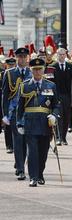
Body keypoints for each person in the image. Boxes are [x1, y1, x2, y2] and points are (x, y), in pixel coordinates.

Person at [16, 58, 60, 187]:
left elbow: (56, 105)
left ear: (43, 70)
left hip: (45, 123)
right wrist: (19, 123)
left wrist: (54, 115)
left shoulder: (50, 85)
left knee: (43, 151)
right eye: (35, 69)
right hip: (30, 122)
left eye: (40, 69)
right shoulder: (25, 85)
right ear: (31, 70)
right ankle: (33, 177)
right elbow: (20, 107)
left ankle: (40, 173)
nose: (37, 72)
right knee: (32, 151)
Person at [2, 47, 32, 180]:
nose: (22, 59)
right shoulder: (9, 73)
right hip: (14, 112)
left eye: (24, 57)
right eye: (20, 57)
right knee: (18, 140)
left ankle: (19, 162)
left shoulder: (33, 73)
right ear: (16, 58)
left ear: (27, 58)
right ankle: (20, 169)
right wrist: (4, 114)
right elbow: (5, 95)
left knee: (26, 141)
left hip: (29, 112)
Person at [53, 47, 72, 145]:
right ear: (57, 55)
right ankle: (58, 137)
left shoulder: (71, 66)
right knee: (58, 116)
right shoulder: (53, 67)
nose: (61, 56)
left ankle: (63, 137)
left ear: (66, 55)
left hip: (67, 96)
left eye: (63, 54)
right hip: (57, 95)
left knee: (66, 117)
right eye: (59, 54)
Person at [2, 57, 16, 153]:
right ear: (6, 65)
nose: (11, 66)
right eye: (9, 65)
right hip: (7, 100)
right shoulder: (3, 74)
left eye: (12, 64)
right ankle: (9, 145)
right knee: (8, 125)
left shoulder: (16, 74)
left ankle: (16, 145)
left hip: (15, 102)